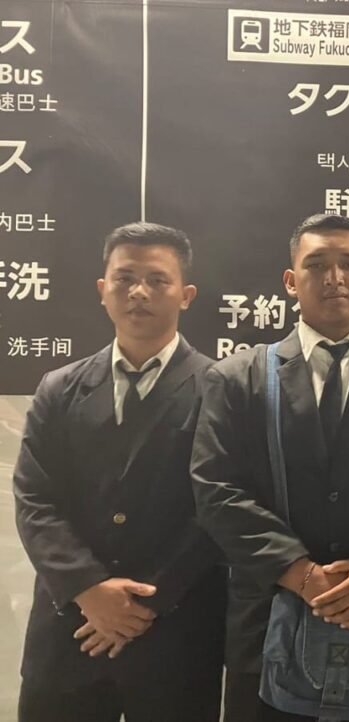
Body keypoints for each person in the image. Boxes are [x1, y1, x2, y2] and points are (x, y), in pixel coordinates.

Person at [191, 213, 349, 721]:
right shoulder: (238, 378)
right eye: (316, 265)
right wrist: (299, 573)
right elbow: (216, 491)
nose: (334, 277)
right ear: (291, 281)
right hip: (268, 628)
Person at [14, 222, 225, 721]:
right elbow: (35, 499)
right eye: (125, 278)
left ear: (187, 295)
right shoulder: (58, 388)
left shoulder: (223, 388)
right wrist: (89, 589)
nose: (139, 292)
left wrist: (147, 601)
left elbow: (221, 504)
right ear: (102, 289)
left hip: (175, 638)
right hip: (70, 633)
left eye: (157, 279)